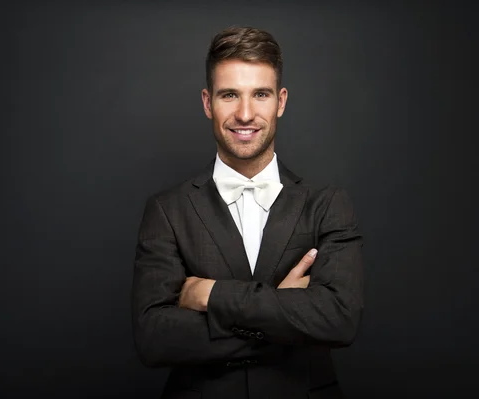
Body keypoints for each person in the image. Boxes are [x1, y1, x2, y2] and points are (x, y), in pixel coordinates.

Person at [131, 25, 364, 399]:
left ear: (281, 101)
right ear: (208, 102)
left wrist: (211, 296)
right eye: (229, 95)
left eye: (260, 94)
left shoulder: (327, 204)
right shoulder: (166, 210)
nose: (244, 113)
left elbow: (339, 319)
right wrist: (283, 312)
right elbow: (154, 338)